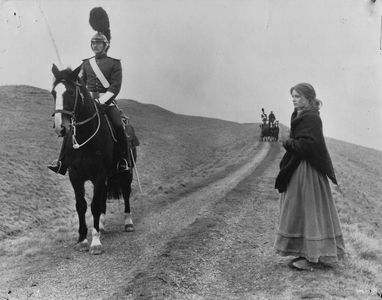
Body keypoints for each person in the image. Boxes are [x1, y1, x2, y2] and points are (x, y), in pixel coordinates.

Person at [48, 7, 129, 175]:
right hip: (88, 102)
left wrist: (101, 101)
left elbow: (115, 87)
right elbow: (82, 85)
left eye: (98, 43)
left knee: (118, 124)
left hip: (106, 102)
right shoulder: (86, 63)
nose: (95, 46)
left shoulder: (114, 63)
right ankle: (62, 162)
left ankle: (123, 160)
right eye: (93, 43)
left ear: (106, 45)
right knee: (71, 126)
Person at [274, 83, 345, 271]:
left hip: (308, 170)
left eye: (297, 96)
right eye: (293, 96)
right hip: (298, 166)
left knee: (309, 210)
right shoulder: (299, 115)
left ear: (308, 98)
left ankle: (312, 258)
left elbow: (307, 147)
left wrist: (286, 142)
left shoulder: (312, 118)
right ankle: (305, 251)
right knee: (299, 209)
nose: (294, 99)